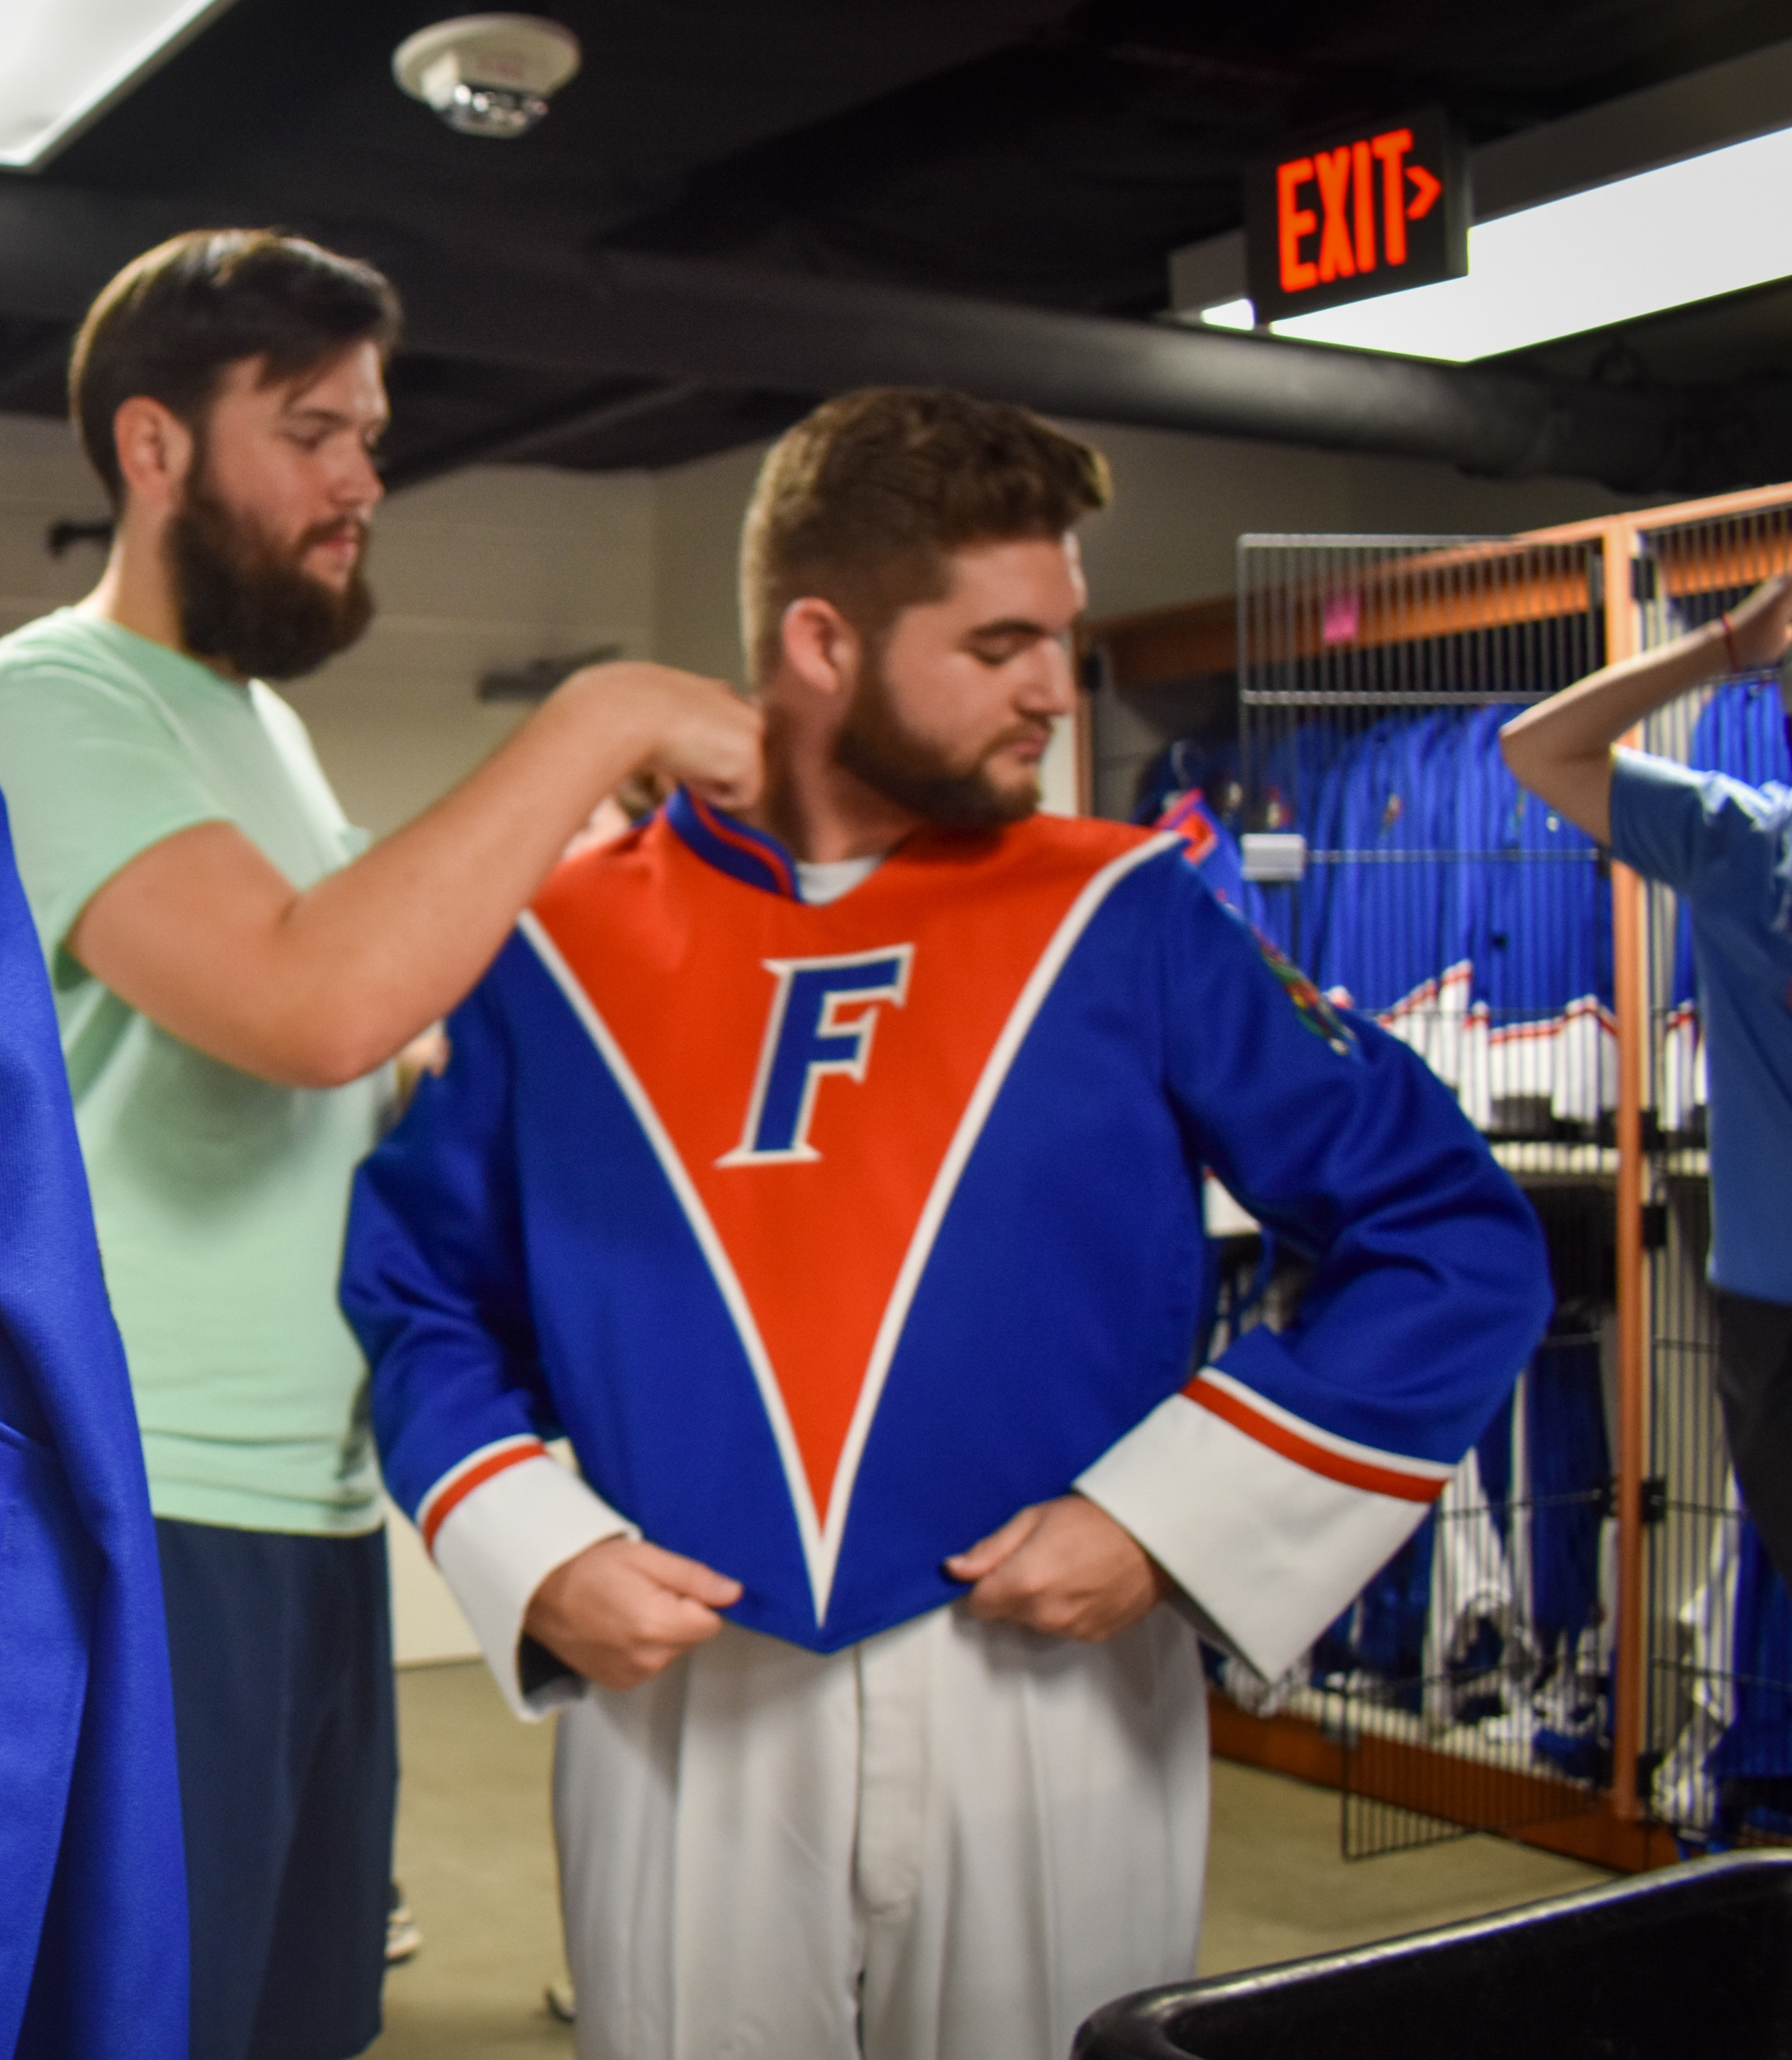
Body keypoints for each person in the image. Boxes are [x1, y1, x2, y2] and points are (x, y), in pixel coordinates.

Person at [344, 387, 1553, 2060]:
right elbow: (419, 1287)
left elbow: (1452, 1236)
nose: (1059, 686)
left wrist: (1168, 1518)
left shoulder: (1132, 910)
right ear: (825, 641)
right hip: (686, 1690)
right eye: (1000, 643)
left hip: (1051, 1690)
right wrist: (535, 1550)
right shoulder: (548, 939)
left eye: (1058, 634)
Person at [0, 228, 758, 2060]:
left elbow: (359, 1059)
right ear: (151, 448)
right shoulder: (44, 700)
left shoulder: (258, 727)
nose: (359, 480)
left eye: (368, 436)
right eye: (309, 431)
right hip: (134, 1503)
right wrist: (601, 716)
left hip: (308, 1506)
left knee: (298, 2015)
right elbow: (308, 1001)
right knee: (155, 2019)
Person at [1501, 571, 1792, 1577]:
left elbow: (1538, 750)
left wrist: (1731, 646)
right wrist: (1728, 645)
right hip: (1774, 1313)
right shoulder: (1743, 845)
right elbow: (1536, 747)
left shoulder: (1743, 847)